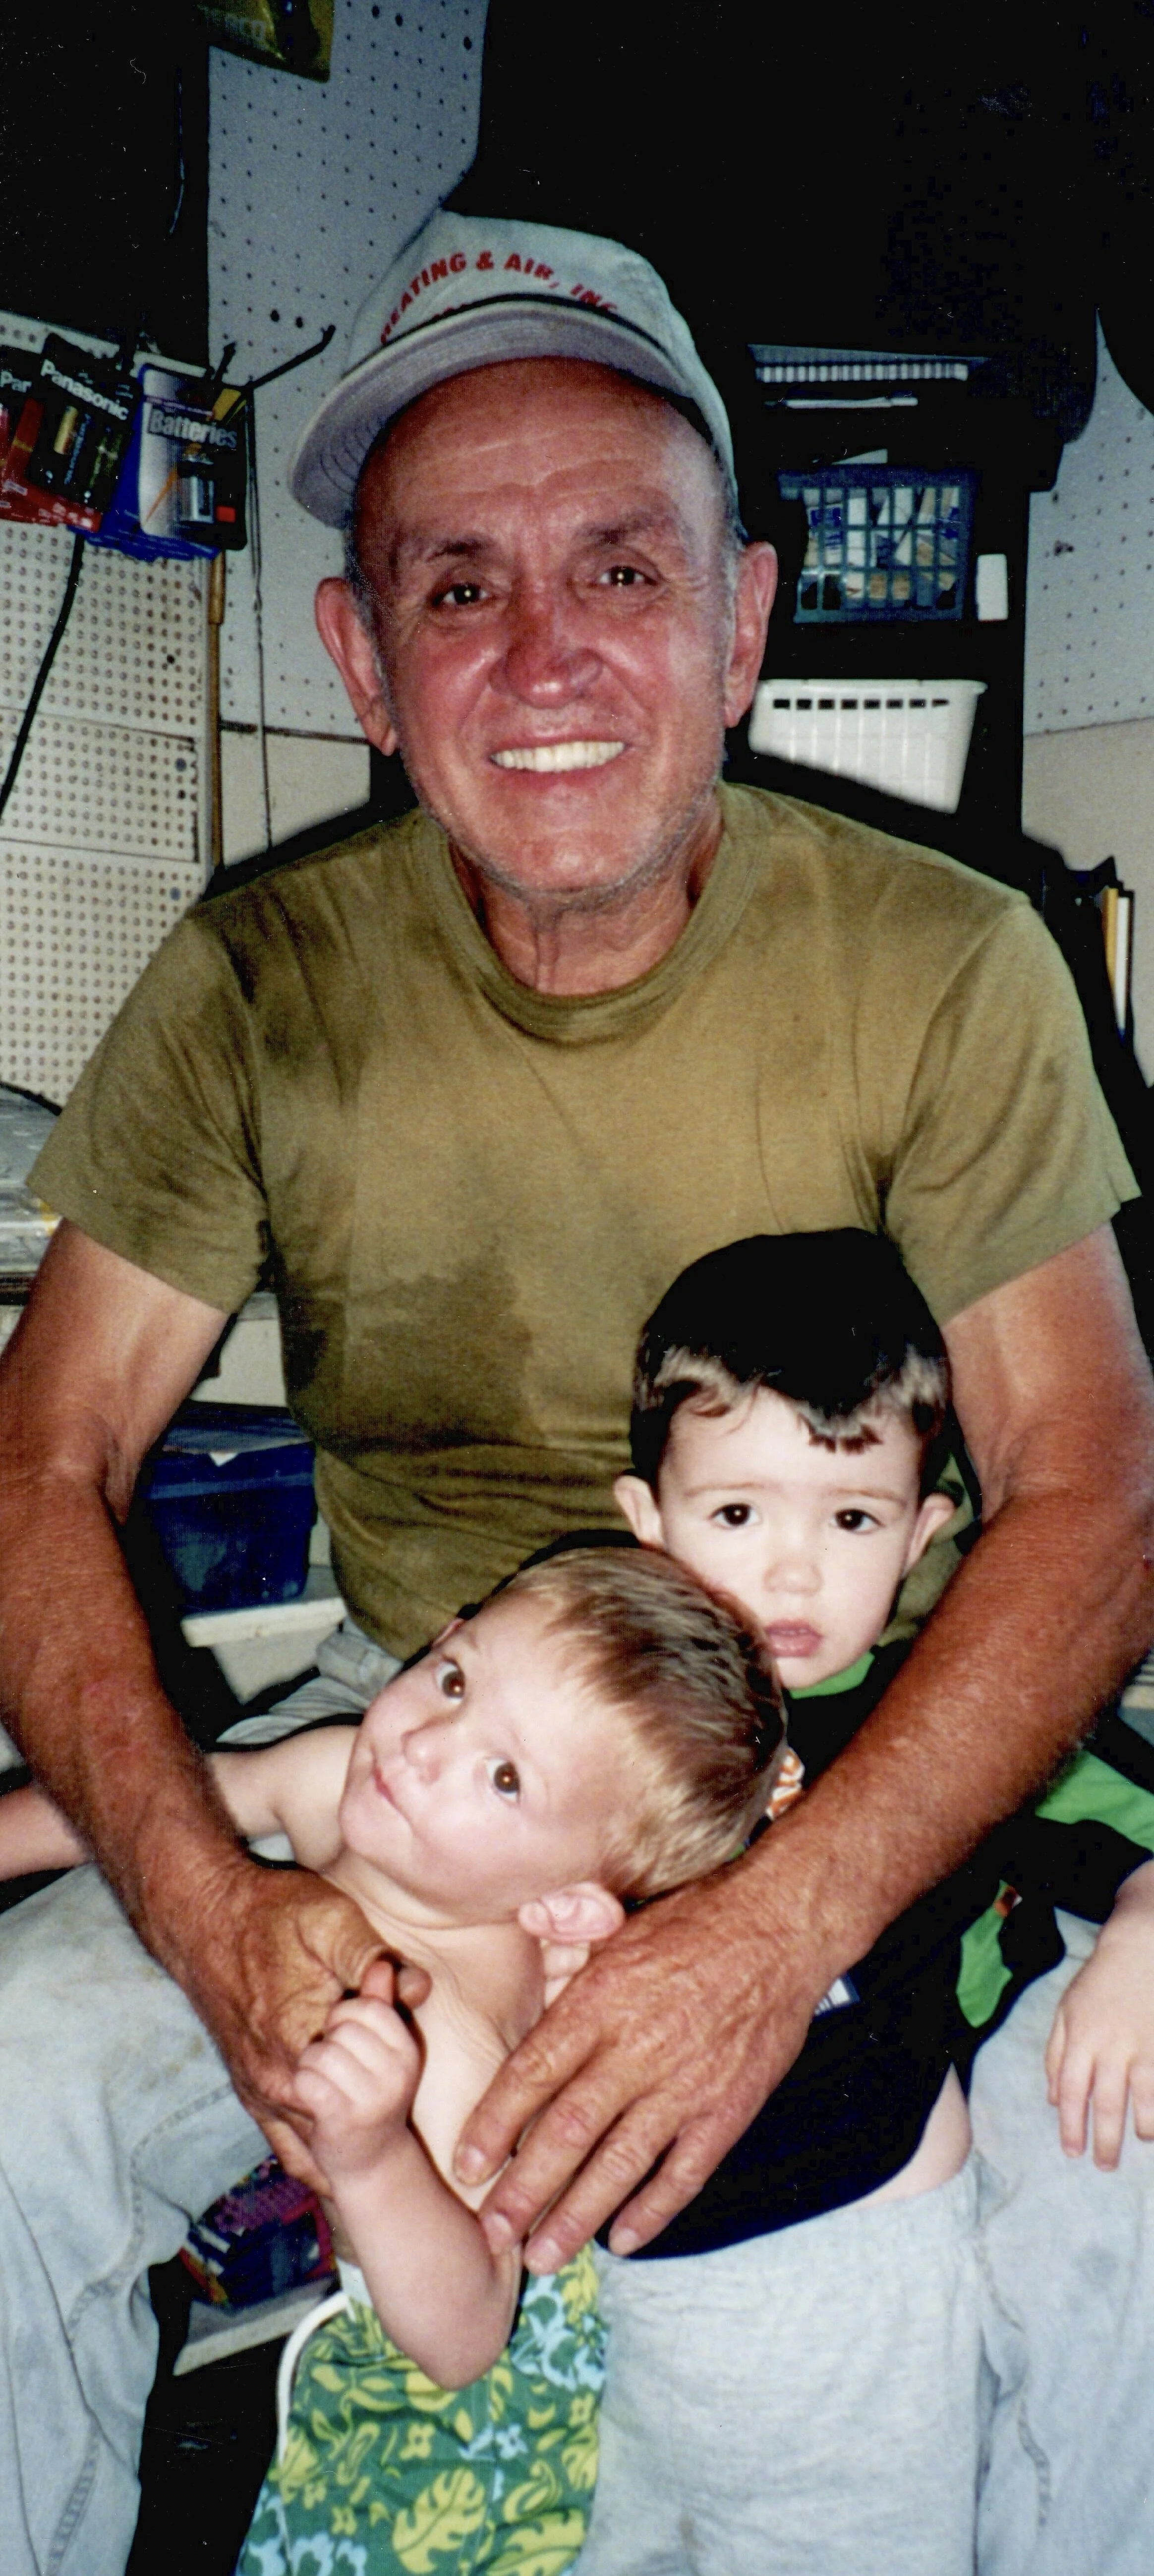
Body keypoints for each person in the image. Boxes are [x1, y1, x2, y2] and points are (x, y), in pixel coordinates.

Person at [0, 202, 1151, 2574]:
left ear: (741, 624)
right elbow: (42, 1458)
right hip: (407, 1743)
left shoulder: (953, 965)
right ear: (357, 651)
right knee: (4, 2112)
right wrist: (217, 1907)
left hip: (852, 1750)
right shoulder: (253, 981)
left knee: (1114, 2221)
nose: (542, 657)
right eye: (455, 586)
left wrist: (769, 1931)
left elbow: (1097, 1492)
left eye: (623, 569)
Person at [0, 1544, 784, 2576]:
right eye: (455, 1682)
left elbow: (465, 2336)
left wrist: (375, 2162)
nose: (424, 1745)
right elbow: (173, 1799)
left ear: (560, 1908)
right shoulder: (342, 1774)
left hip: (465, 2447)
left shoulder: (451, 2038)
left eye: (505, 1778)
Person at [608, 1227, 1154, 2575]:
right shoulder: (596, 1712)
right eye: (738, 1514)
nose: (794, 1573)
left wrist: (1144, 1931)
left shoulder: (949, 1724)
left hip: (900, 2202)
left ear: (922, 1532)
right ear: (648, 1519)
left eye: (850, 1520)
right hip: (666, 2278)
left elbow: (1132, 1824)